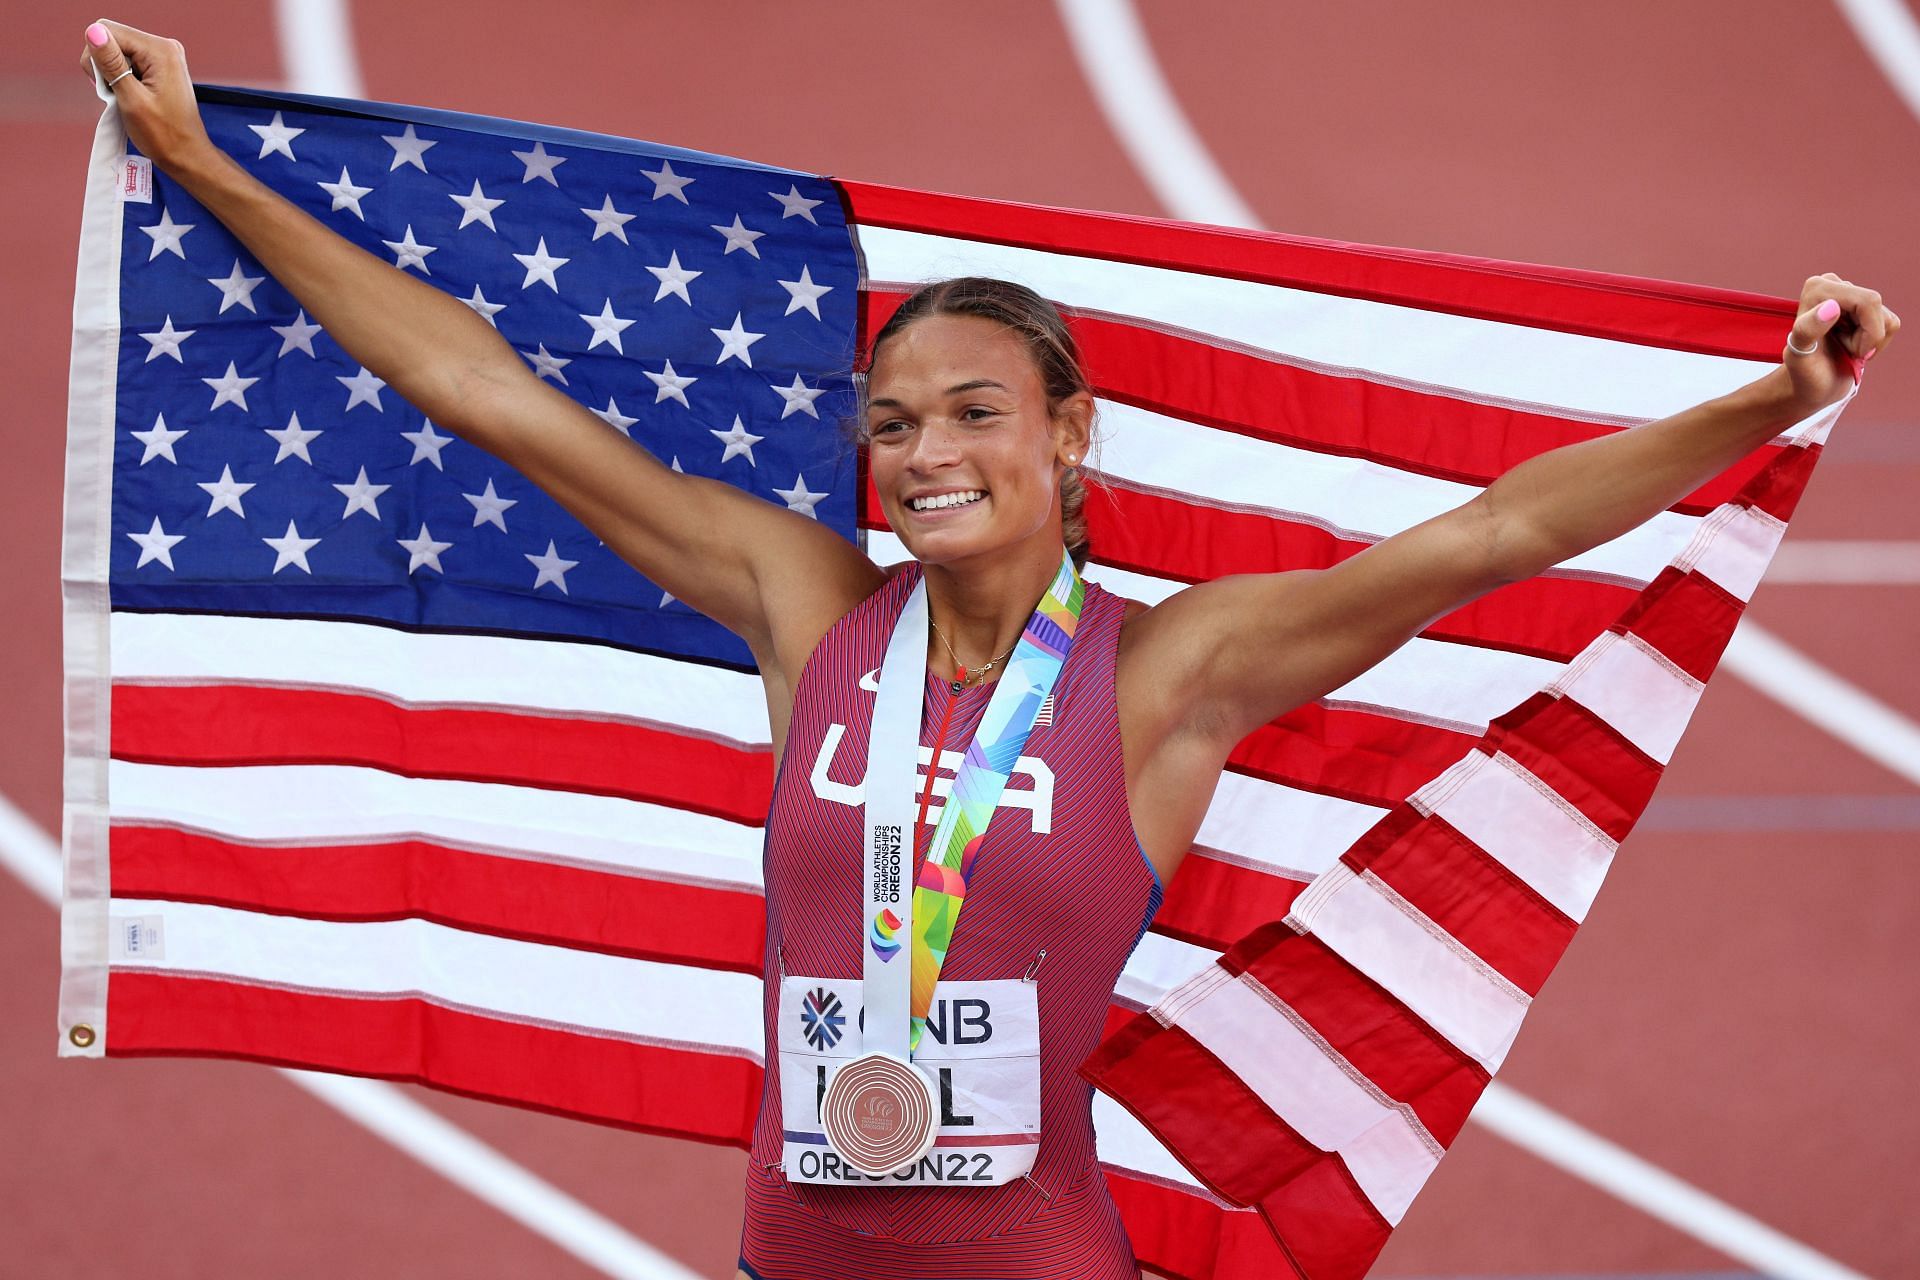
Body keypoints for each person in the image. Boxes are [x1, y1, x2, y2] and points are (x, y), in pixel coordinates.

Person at [79, 19, 1898, 1280]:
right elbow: (483, 391)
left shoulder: (1174, 675)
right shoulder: (806, 604)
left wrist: (1767, 398)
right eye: (889, 424)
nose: (926, 454)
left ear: (1069, 440)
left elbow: (1497, 534)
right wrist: (201, 167)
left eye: (972, 414)